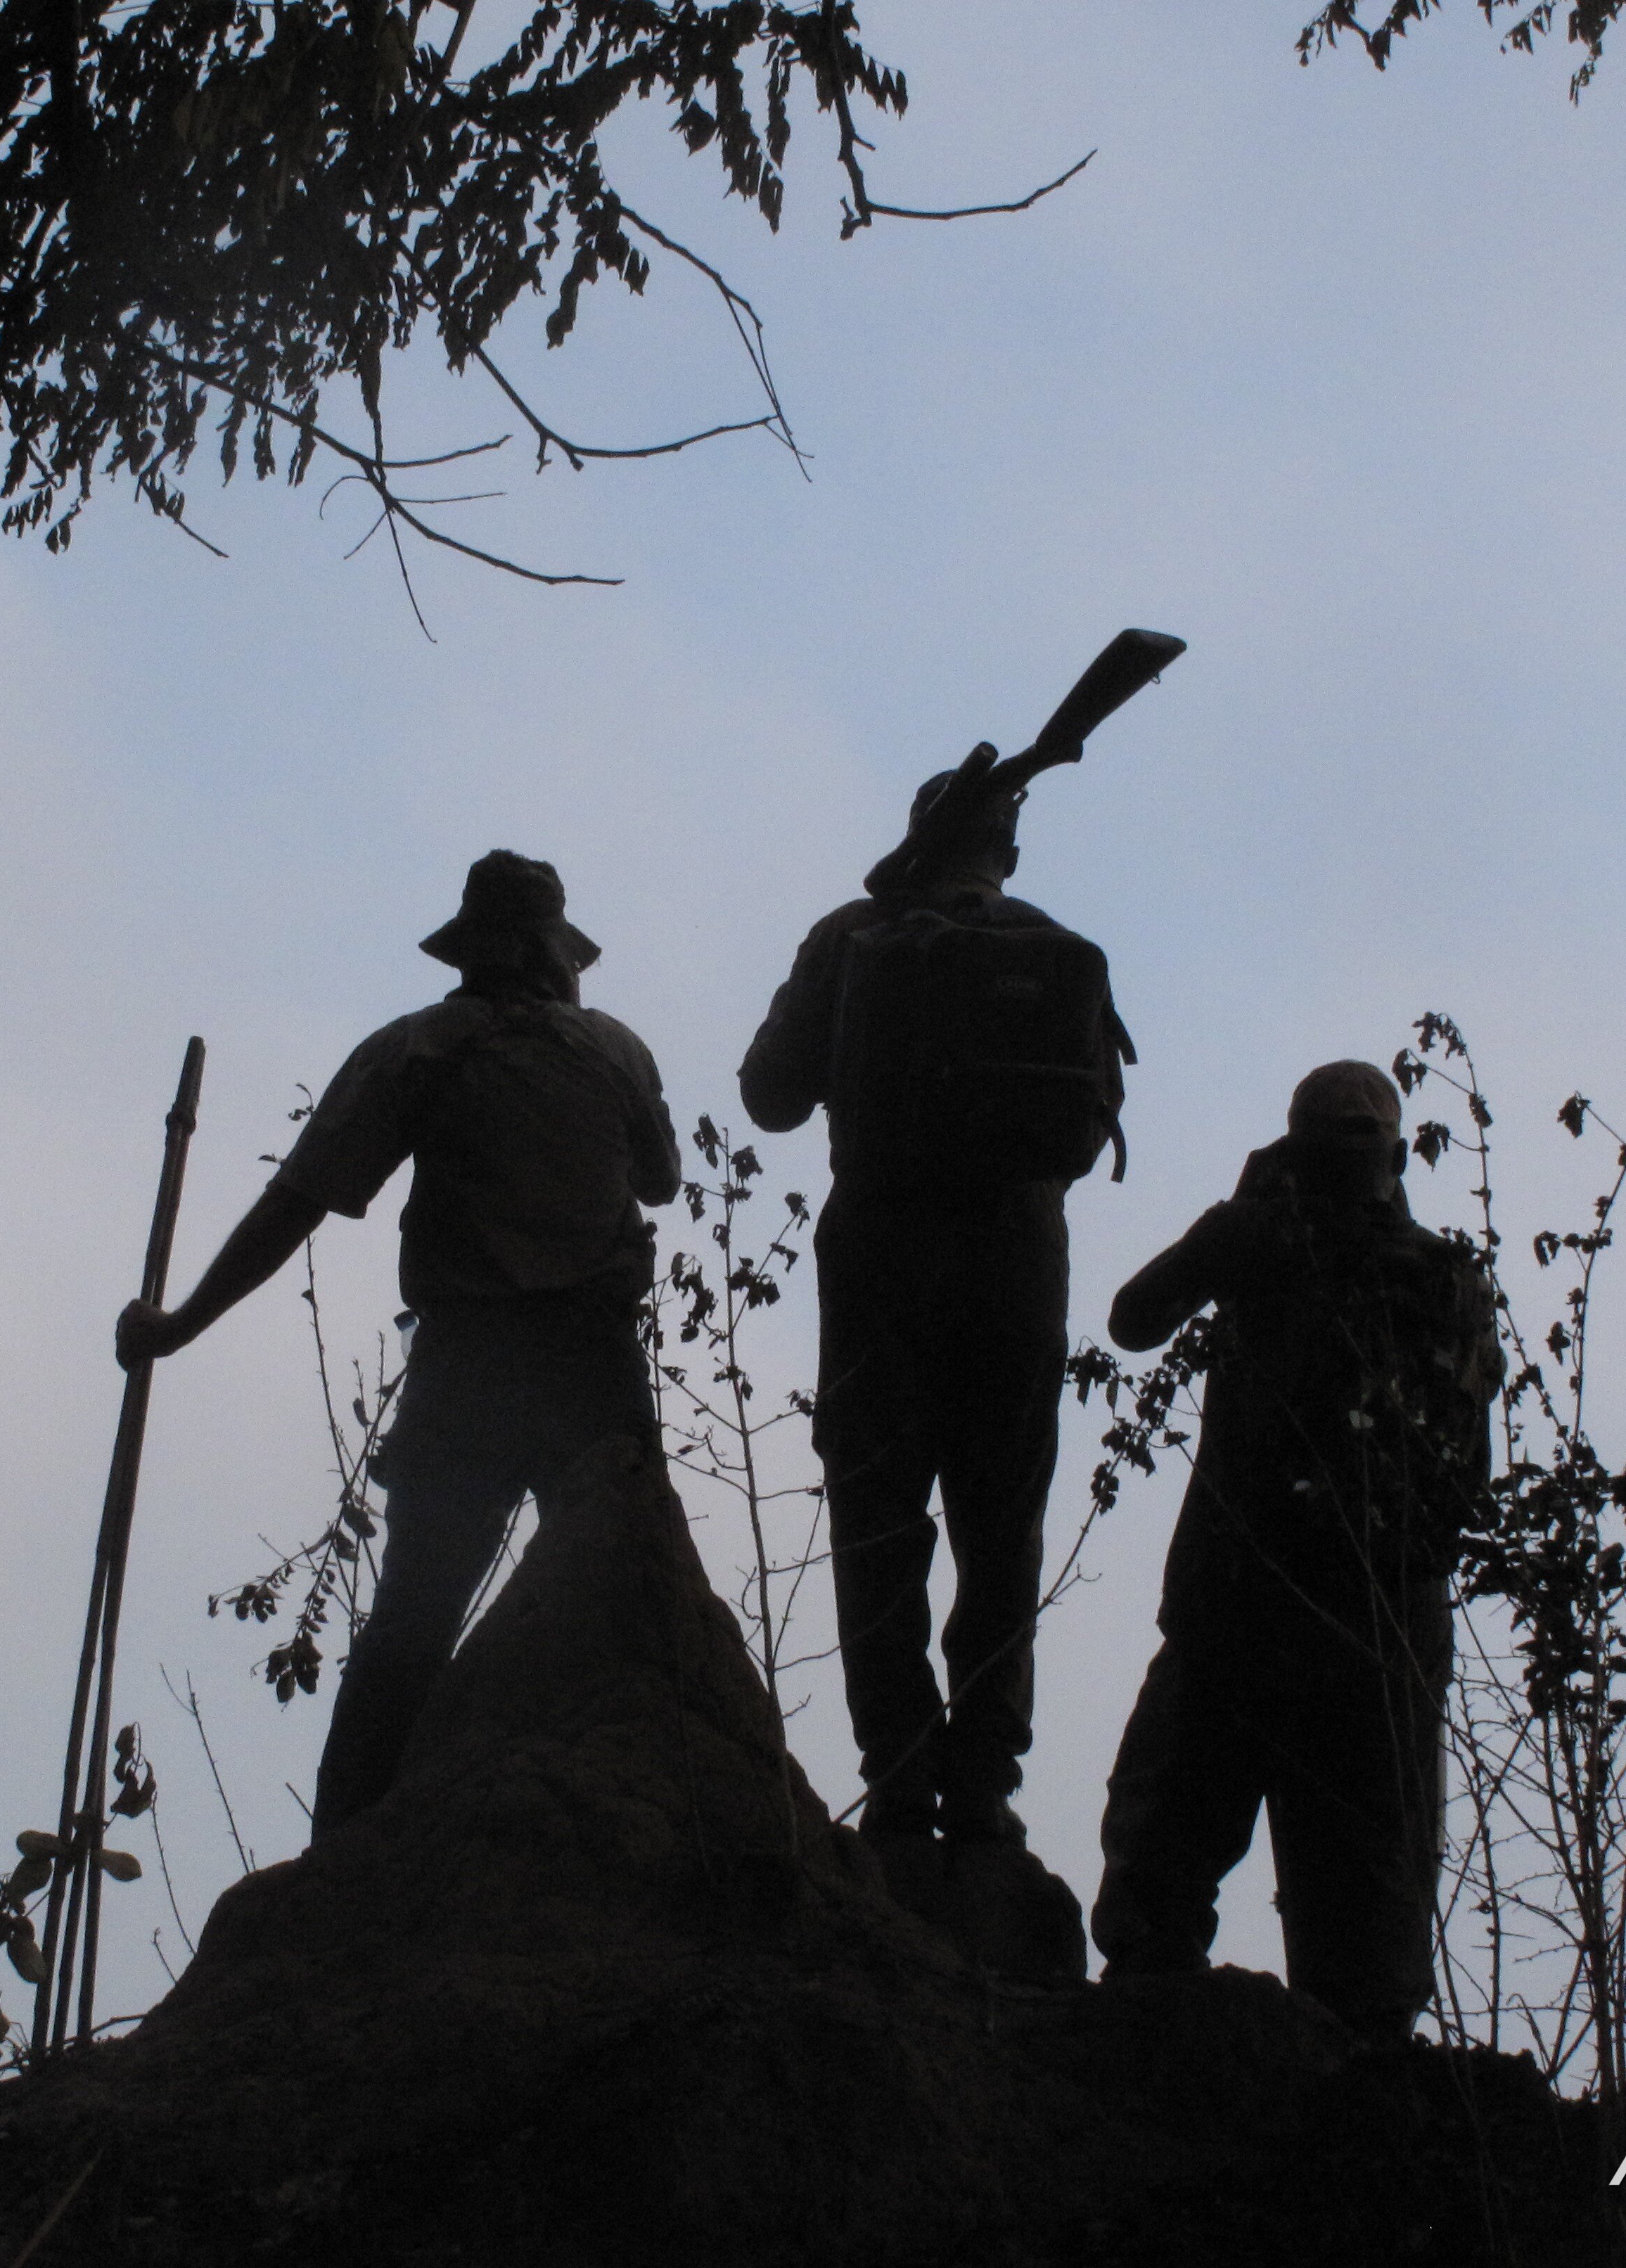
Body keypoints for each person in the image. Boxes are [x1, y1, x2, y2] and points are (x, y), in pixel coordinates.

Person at [118, 851, 680, 1835]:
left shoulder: (422, 1047)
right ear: (542, 952)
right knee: (619, 1606)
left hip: (483, 1370)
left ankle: (354, 1837)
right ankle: (383, 1851)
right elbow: (664, 1180)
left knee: (418, 1628)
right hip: (575, 1370)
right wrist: (181, 1329)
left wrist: (178, 1327)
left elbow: (294, 1204)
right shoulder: (606, 1051)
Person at [737, 774, 1128, 1845]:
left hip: (878, 1266)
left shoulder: (854, 937)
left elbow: (767, 1095)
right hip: (1016, 1272)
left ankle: (900, 1783)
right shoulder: (1057, 946)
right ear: (1006, 851)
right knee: (1002, 1532)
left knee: (879, 1522)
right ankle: (988, 1786)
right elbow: (1088, 1135)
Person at [1090, 1060, 1495, 2039]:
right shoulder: (1451, 1278)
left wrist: (1245, 1204)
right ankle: (1366, 2129)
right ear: (1398, 1157)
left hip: (1239, 1601)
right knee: (1371, 1930)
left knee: (1160, 1881)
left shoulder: (1255, 1237)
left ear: (1294, 1146)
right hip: (1387, 1620)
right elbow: (1471, 1474)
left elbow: (1131, 1319)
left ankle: (1145, 2078)